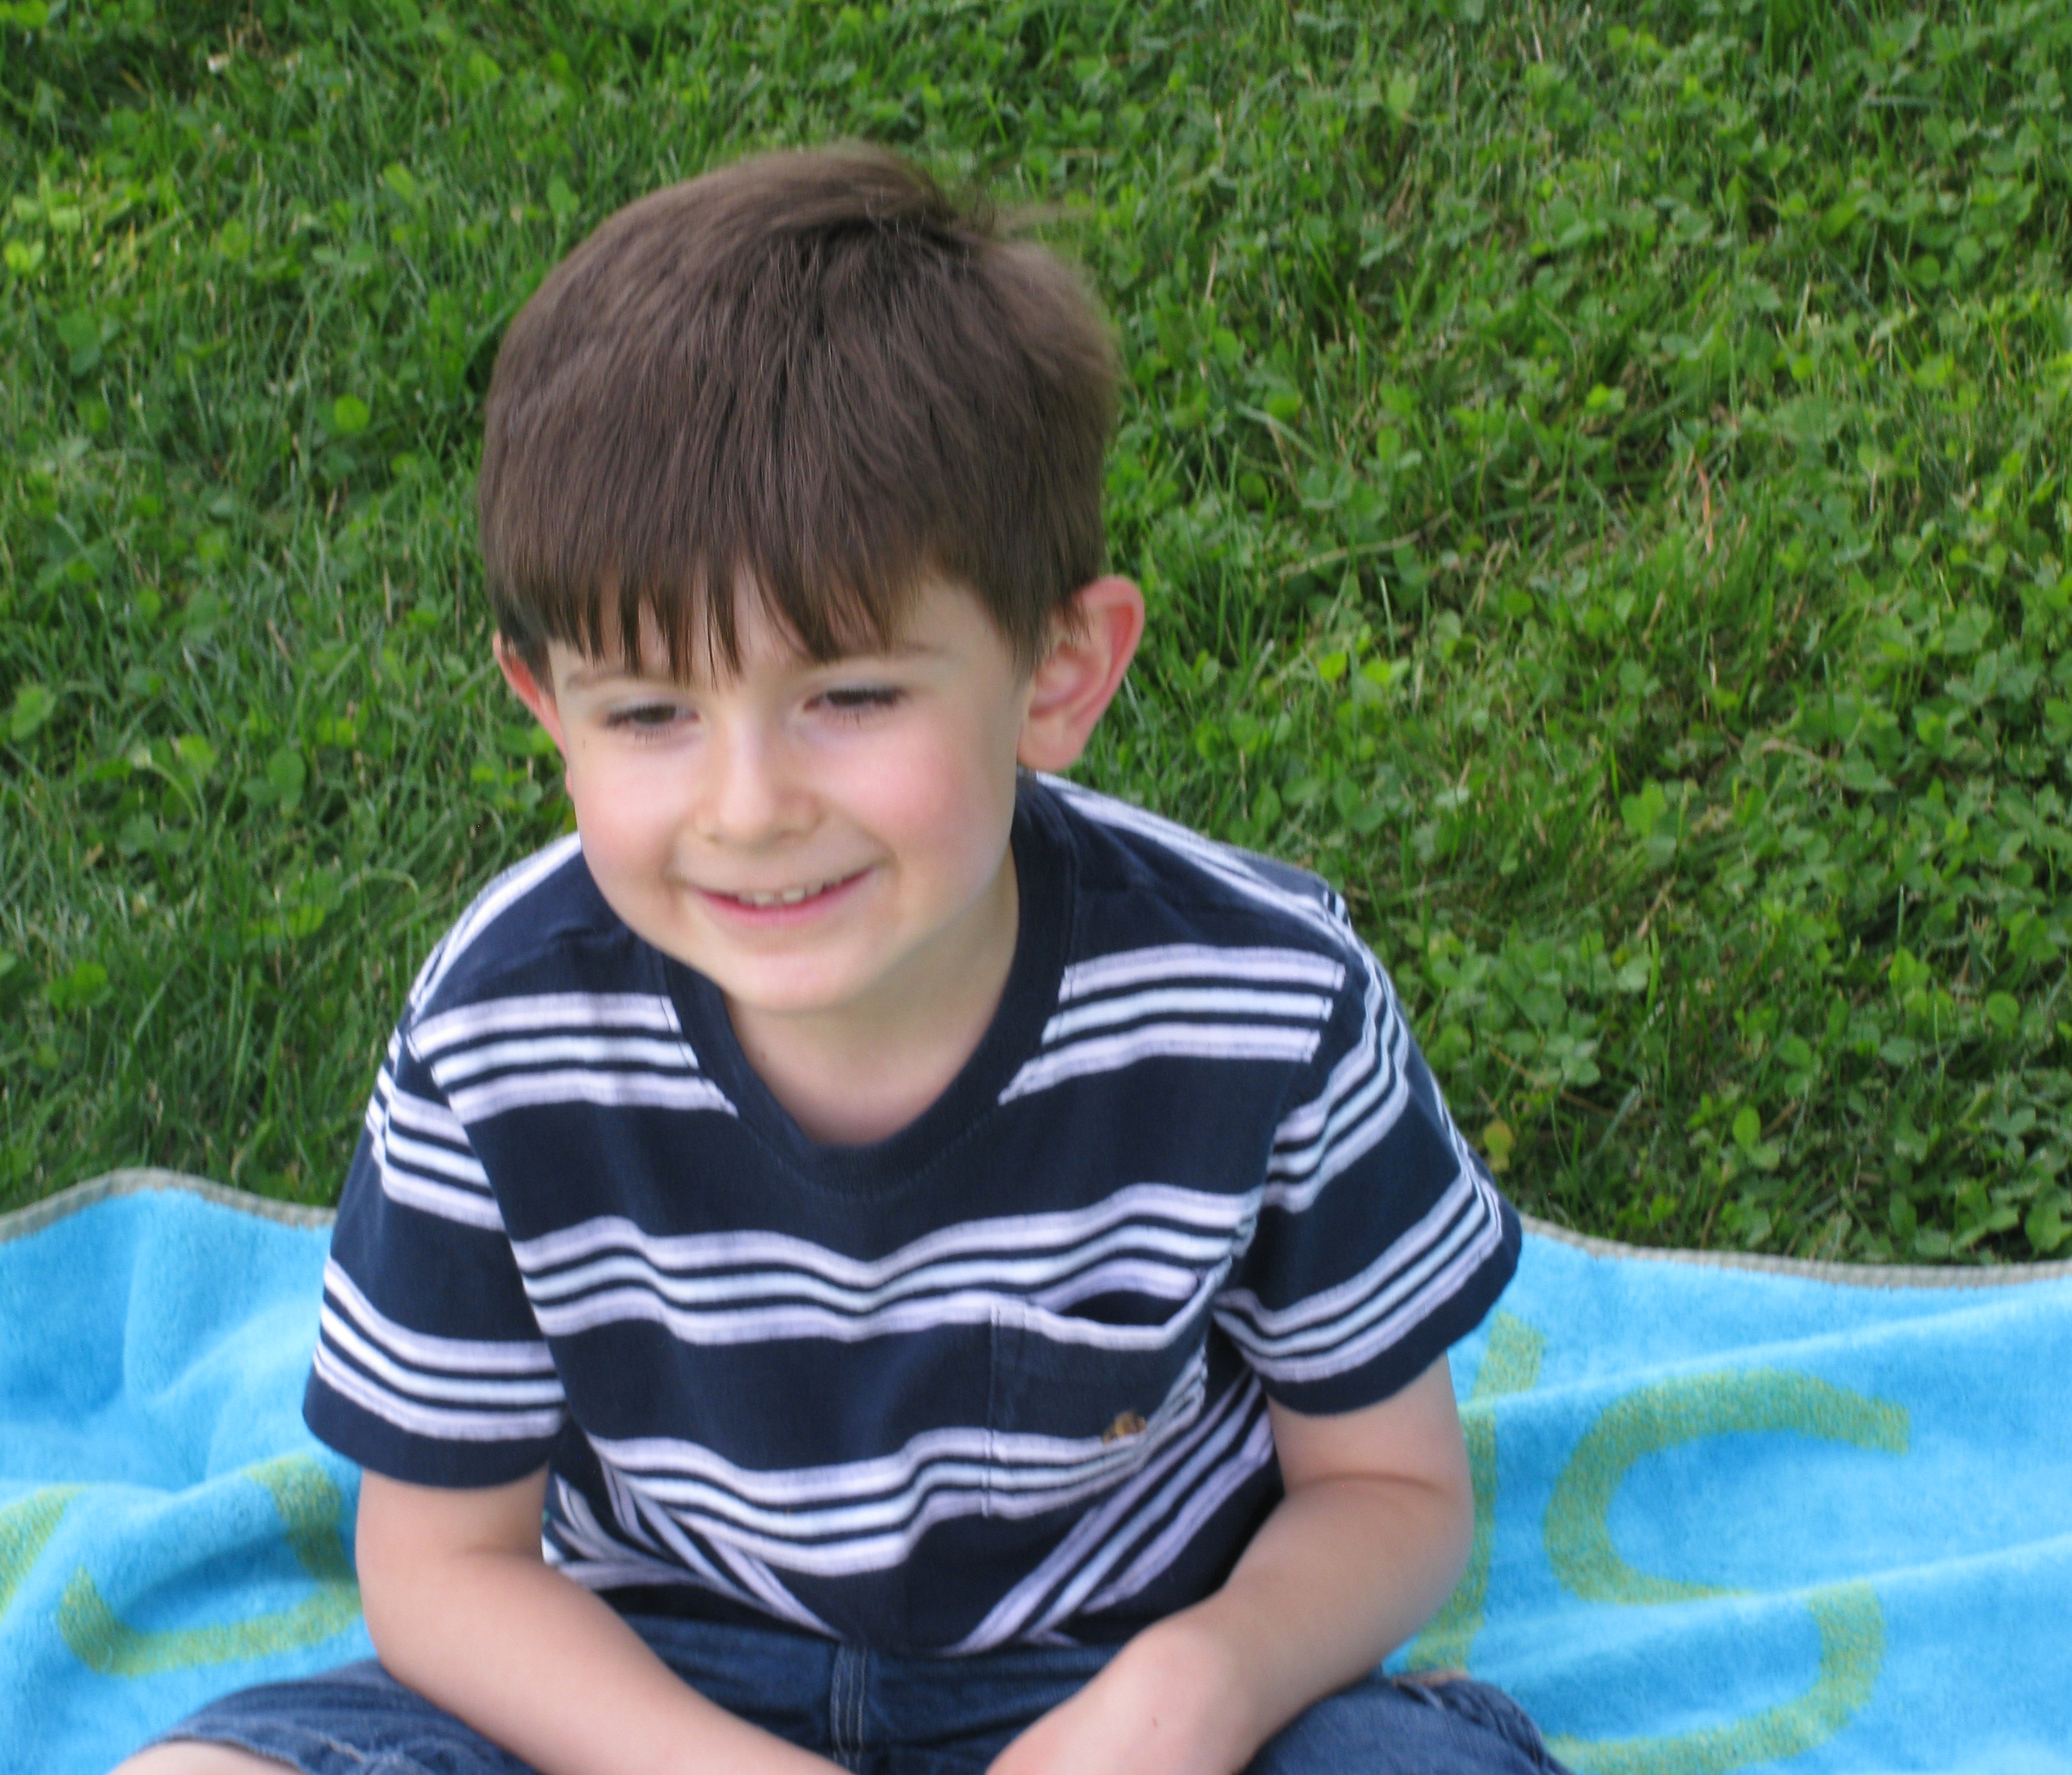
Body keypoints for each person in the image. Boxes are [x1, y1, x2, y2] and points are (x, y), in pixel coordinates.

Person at [120, 147, 1561, 1775]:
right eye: (649, 712)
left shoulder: (1265, 1003)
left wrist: (1195, 1693)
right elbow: (443, 1566)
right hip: (652, 1688)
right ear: (546, 708)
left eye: (852, 696)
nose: (749, 809)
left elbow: (1391, 1490)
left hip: (1118, 1674)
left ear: (1059, 672)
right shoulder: (500, 1030)